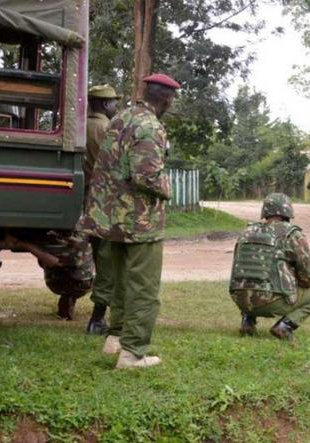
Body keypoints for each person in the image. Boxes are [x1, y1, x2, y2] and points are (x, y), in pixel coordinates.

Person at [77, 73, 180, 369]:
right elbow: (145, 175)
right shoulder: (150, 126)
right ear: (166, 98)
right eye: (172, 99)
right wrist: (167, 188)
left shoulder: (121, 118)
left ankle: (116, 338)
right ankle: (132, 353)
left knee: (120, 281)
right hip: (139, 221)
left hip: (111, 218)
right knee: (143, 287)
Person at [229, 193, 310, 341]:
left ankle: (247, 321)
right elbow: (307, 277)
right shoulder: (293, 235)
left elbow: (239, 267)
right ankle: (285, 326)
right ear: (288, 211)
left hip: (240, 299)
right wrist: (294, 280)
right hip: (271, 301)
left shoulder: (246, 232)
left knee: (252, 277)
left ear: (265, 211)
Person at [83, 84, 121, 335]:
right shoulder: (106, 129)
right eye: (114, 103)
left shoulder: (78, 125)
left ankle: (67, 303)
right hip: (104, 202)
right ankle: (97, 319)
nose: (116, 106)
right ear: (106, 105)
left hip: (84, 199)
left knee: (91, 255)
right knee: (107, 260)